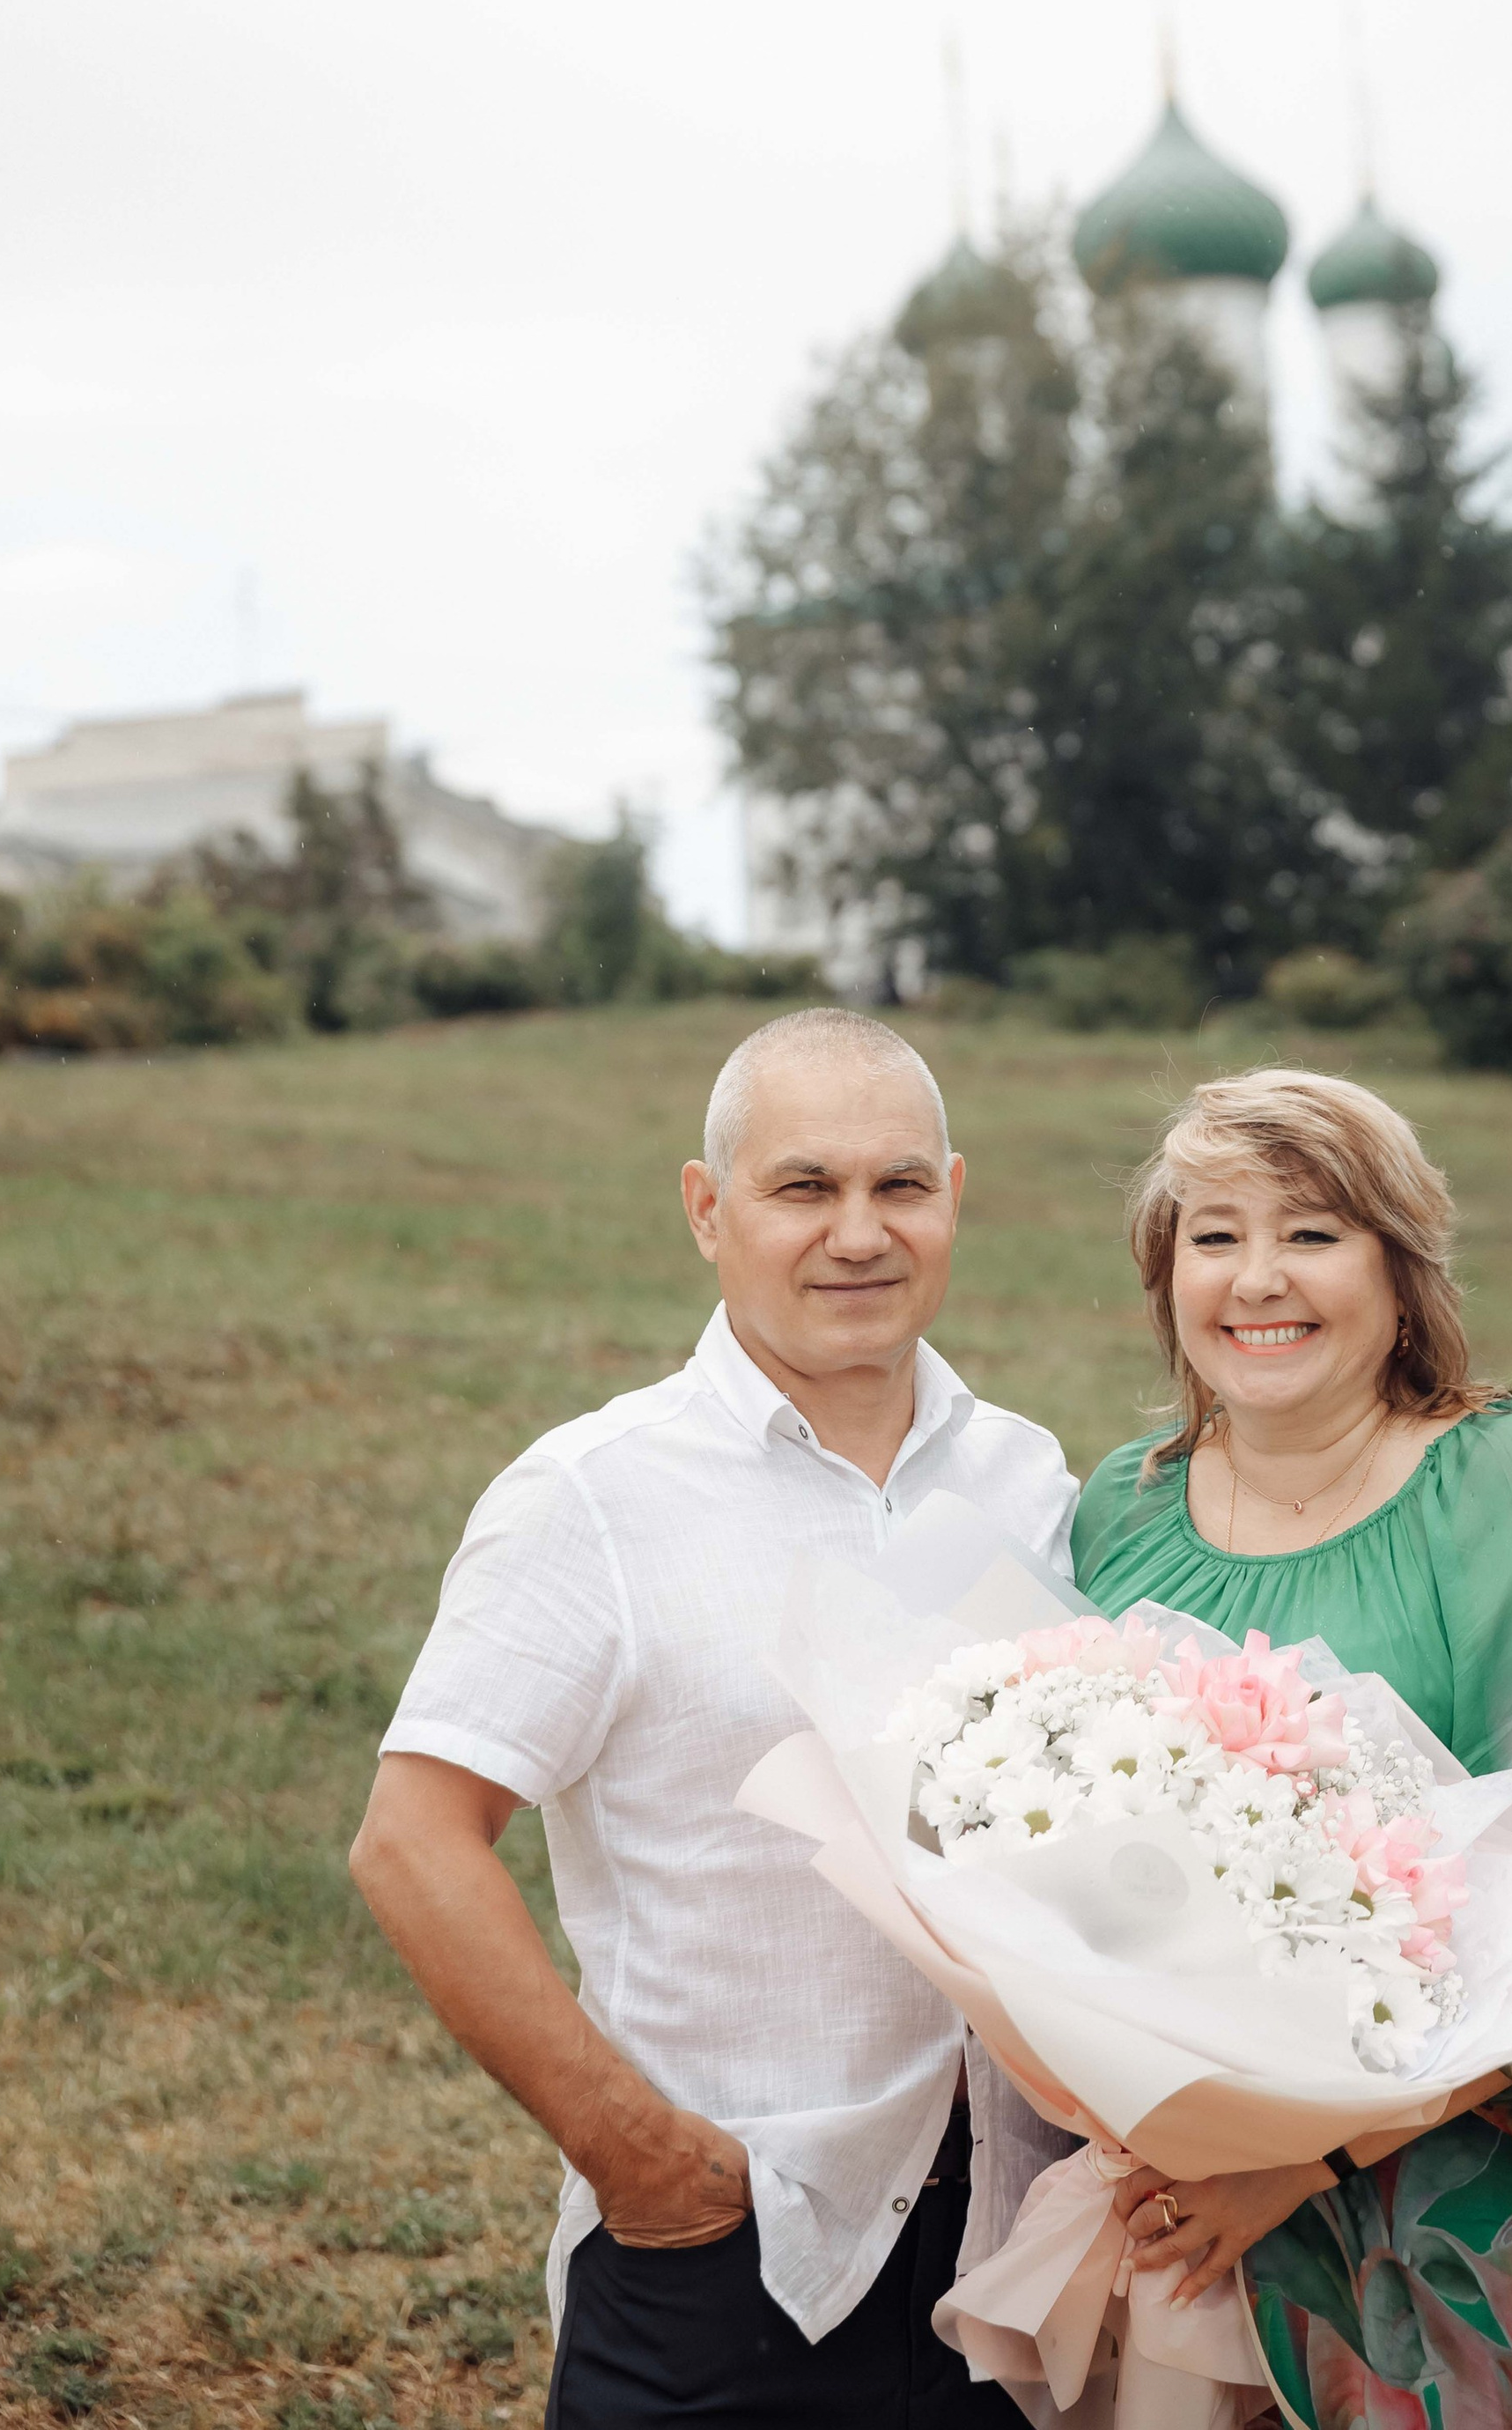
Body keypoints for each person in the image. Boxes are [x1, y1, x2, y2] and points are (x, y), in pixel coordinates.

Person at [350, 1004, 1073, 2427]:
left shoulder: (1025, 1476)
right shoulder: (595, 1499)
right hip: (731, 2252)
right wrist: (644, 2164)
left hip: (1005, 2246)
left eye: (899, 1187)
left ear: (954, 1199)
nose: (858, 1233)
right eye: (804, 1186)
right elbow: (413, 1845)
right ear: (707, 1209)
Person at [1072, 1067, 1512, 2430]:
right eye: (1215, 1237)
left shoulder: (1510, 1479)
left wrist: (1303, 2160)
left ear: (1402, 1270)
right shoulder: (1121, 1508)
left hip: (1471, 2200)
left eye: (1313, 1234)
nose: (1257, 1279)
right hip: (1178, 2205)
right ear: (1167, 1279)